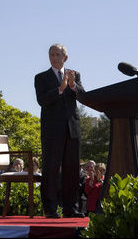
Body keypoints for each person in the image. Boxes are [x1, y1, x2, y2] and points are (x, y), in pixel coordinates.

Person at [34, 43, 85, 218]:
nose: (54, 57)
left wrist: (72, 86)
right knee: (51, 169)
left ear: (65, 58)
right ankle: (50, 209)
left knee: (72, 169)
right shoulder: (41, 77)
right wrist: (60, 89)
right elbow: (42, 100)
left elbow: (83, 95)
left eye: (57, 54)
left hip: (72, 129)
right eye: (51, 54)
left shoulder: (74, 75)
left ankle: (71, 208)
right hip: (52, 130)